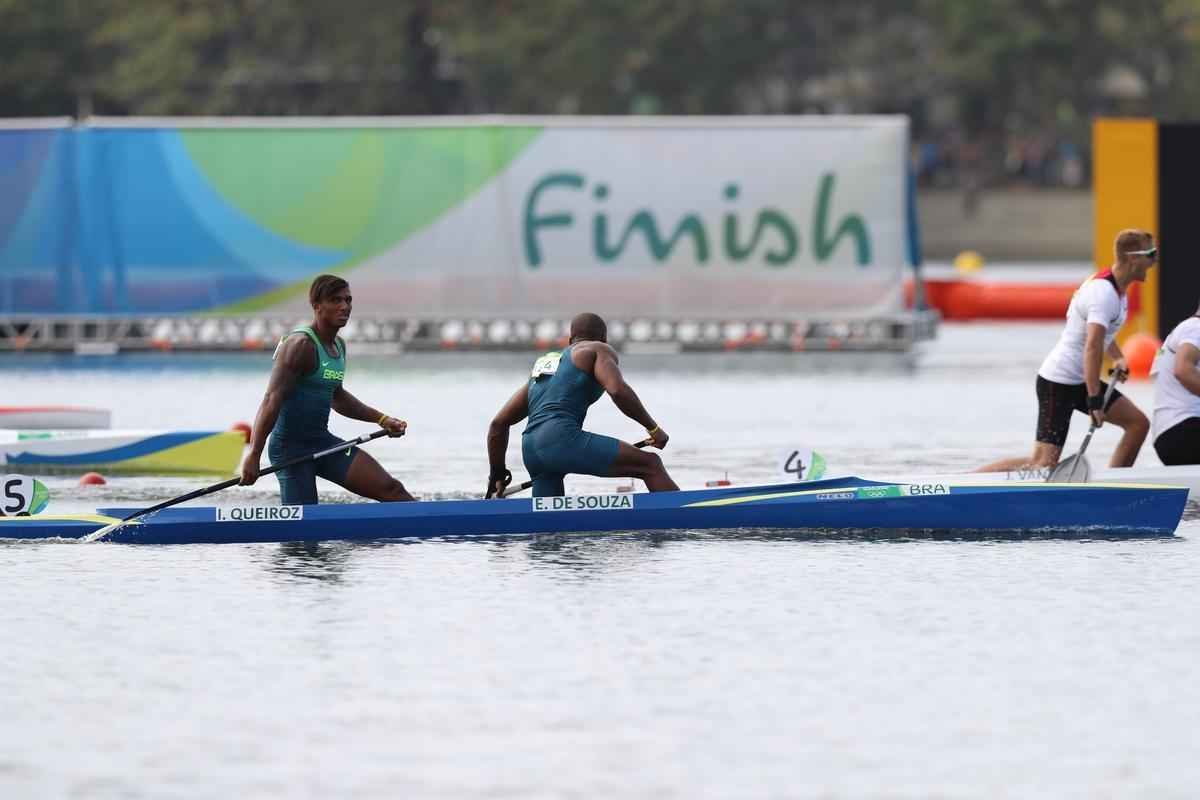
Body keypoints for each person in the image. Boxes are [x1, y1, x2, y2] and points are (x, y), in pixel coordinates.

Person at [979, 229, 1156, 472]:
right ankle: (969, 481)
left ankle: (1114, 483)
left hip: (1082, 380)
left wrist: (1118, 357)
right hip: (1058, 382)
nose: (1155, 260)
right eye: (1151, 254)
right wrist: (1094, 400)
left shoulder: (1118, 289)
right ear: (1133, 258)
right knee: (1043, 463)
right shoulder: (1103, 293)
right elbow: (1092, 347)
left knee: (1138, 424)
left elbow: (1101, 335)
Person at [240, 274, 414, 504]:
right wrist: (253, 455)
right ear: (317, 306)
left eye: (348, 300)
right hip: (290, 450)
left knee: (393, 490)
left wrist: (382, 419)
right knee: (303, 534)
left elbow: (337, 396)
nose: (345, 307)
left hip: (322, 442)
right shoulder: (300, 345)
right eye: (336, 300)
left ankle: (431, 528)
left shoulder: (338, 345)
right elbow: (272, 399)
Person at [486, 312, 679, 498]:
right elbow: (618, 391)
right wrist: (653, 428)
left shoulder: (545, 368)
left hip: (531, 451)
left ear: (571, 340)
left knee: (549, 524)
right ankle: (686, 514)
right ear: (603, 338)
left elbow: (498, 425)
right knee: (650, 464)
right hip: (562, 439)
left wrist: (497, 474)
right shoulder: (597, 349)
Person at [1152, 306, 1200, 464]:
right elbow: (1183, 370)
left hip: (1171, 434)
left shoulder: (1186, 329)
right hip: (1182, 432)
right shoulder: (1195, 328)